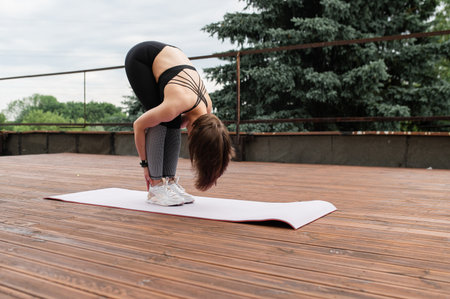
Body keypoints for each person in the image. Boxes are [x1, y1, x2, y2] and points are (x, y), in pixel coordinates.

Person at [125, 41, 234, 206]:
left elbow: (181, 122)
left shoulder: (206, 108)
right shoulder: (177, 104)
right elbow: (139, 125)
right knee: (161, 121)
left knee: (171, 120)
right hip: (141, 59)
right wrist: (145, 165)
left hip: (169, 58)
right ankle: (156, 187)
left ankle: (169, 181)